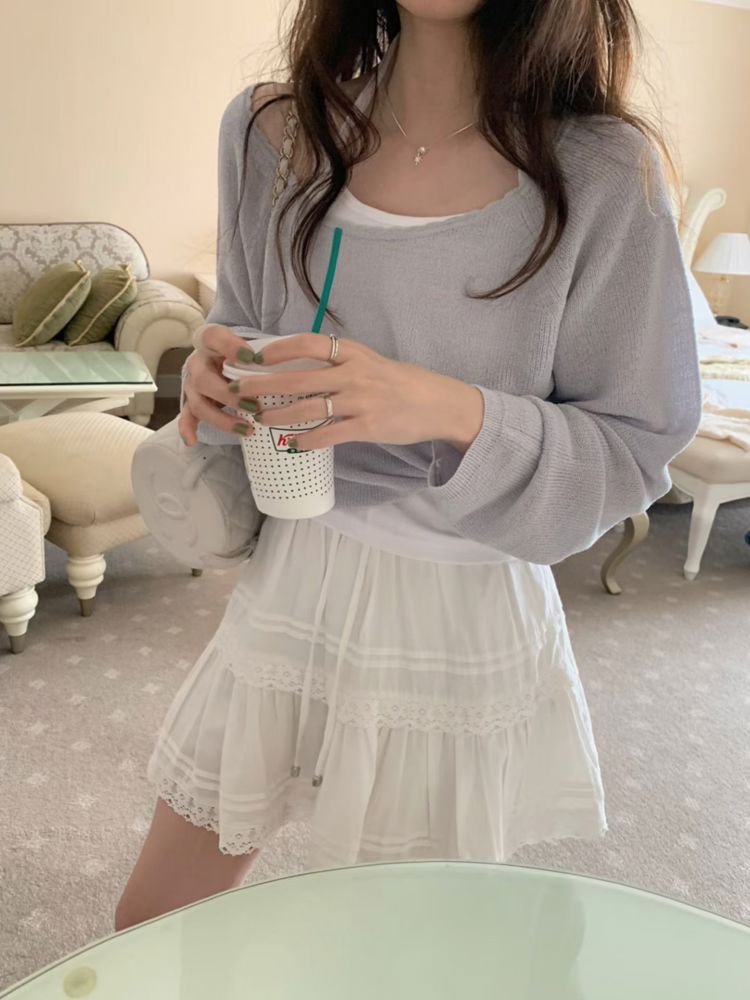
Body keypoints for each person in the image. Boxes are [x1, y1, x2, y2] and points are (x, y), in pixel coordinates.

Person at [115, 0, 702, 931]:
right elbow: (243, 327)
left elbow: (634, 443)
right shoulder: (274, 131)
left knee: (402, 951)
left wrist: (441, 407)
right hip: (297, 576)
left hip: (461, 613)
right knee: (149, 924)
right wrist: (211, 377)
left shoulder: (602, 169)